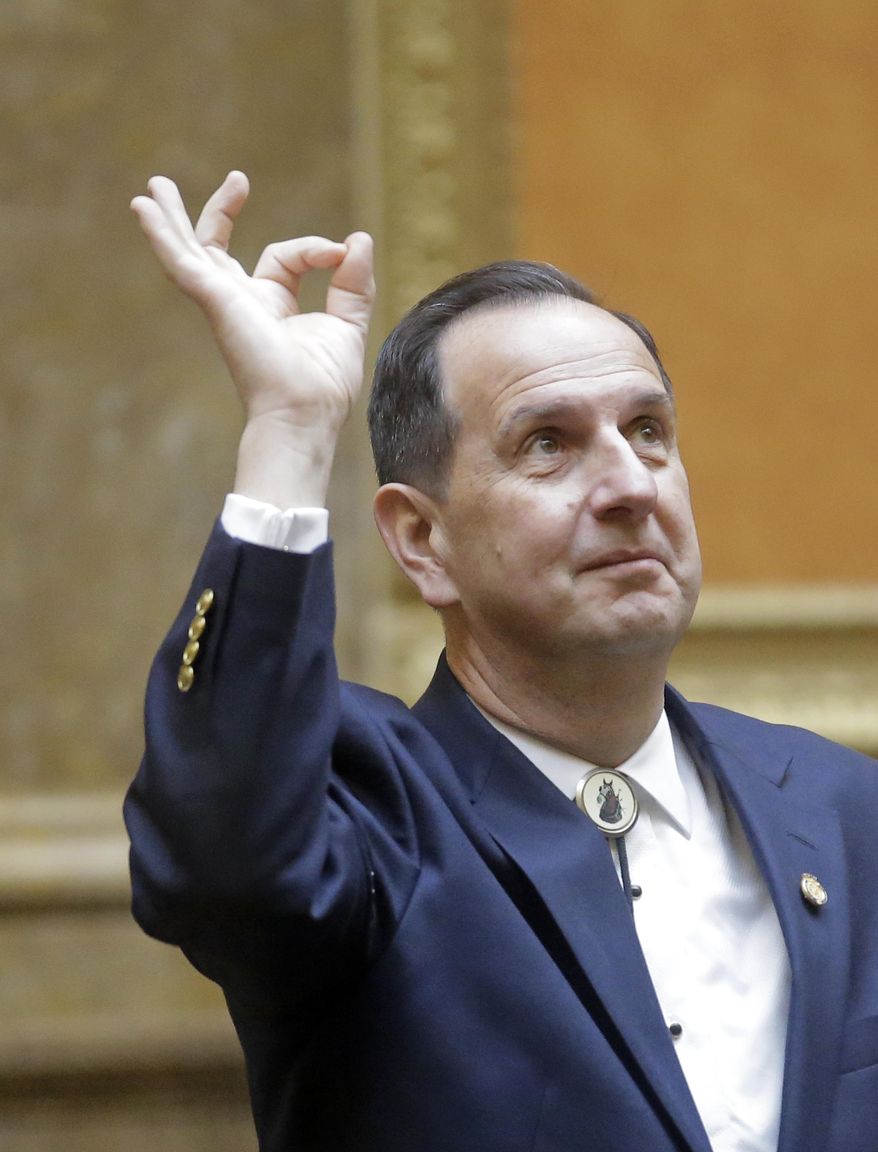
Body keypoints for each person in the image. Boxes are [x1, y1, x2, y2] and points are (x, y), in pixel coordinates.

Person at [124, 171, 878, 1152]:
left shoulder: (838, 808)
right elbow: (216, 868)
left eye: (646, 432)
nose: (626, 485)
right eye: (547, 445)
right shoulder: (361, 808)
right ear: (420, 543)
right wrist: (290, 431)